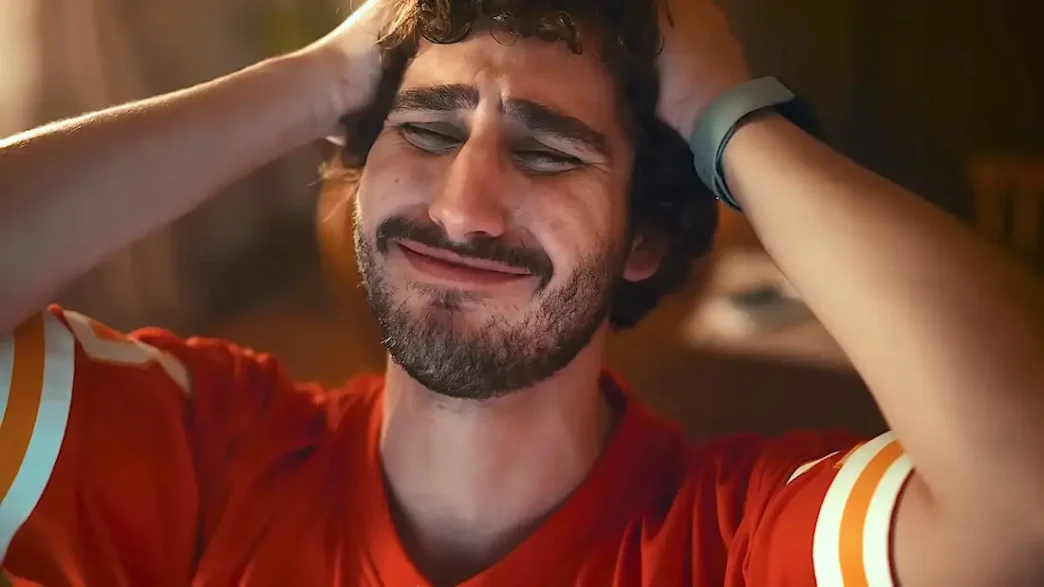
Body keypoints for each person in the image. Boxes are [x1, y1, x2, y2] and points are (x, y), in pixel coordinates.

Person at [0, 0, 1042, 584]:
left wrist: (728, 114)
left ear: (642, 240)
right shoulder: (201, 460)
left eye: (548, 153)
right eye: (429, 130)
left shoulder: (733, 543)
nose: (465, 207)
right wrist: (324, 75)